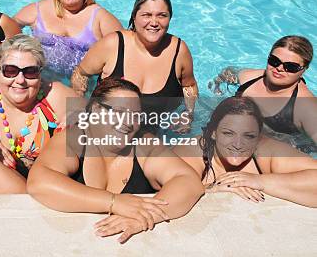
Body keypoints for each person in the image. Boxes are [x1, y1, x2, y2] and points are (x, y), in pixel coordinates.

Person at [27, 77, 204, 244]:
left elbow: (189, 182)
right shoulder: (75, 138)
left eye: (135, 116)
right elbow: (39, 182)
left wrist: (142, 216)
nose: (128, 122)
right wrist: (114, 202)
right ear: (95, 109)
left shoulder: (143, 142)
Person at [71, 0, 197, 133]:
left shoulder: (179, 51)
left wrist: (188, 115)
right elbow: (80, 73)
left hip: (149, 135)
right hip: (105, 131)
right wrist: (80, 104)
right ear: (134, 17)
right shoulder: (113, 45)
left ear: (170, 18)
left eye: (162, 16)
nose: (154, 22)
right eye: (146, 15)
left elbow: (189, 86)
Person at [0, 34, 78, 175]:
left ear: (40, 73)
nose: (20, 80)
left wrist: (81, 117)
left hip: (45, 187)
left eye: (30, 72)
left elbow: (101, 116)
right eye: (10, 71)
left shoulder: (53, 94)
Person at [174, 96, 317, 207]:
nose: (238, 145)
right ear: (213, 133)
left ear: (258, 137)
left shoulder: (265, 152)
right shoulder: (193, 150)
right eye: (228, 133)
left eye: (249, 136)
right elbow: (171, 193)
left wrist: (260, 181)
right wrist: (212, 188)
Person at [14, 0, 122, 79]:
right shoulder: (39, 9)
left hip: (83, 80)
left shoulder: (99, 16)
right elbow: (8, 26)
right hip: (41, 76)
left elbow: (125, 46)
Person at [211, 35, 316, 148]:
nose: (279, 68)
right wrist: (217, 90)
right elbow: (227, 72)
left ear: (304, 69)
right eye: (274, 61)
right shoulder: (248, 78)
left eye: (290, 67)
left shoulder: (306, 107)